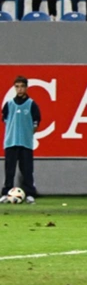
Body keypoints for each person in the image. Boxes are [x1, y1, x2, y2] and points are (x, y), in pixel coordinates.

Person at [0, 76, 40, 205]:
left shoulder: (32, 105)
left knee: (27, 170)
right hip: (11, 142)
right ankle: (6, 193)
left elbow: (36, 122)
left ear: (26, 87)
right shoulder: (9, 104)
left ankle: (30, 194)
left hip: (25, 143)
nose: (20, 89)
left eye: (22, 86)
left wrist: (27, 133)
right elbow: (6, 120)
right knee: (9, 170)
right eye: (17, 87)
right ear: (14, 88)